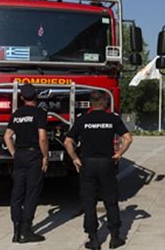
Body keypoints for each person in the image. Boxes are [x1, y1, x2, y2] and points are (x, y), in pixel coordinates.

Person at [64, 91, 133, 250]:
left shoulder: (82, 120)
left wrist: (75, 158)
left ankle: (93, 239)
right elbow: (128, 138)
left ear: (91, 103)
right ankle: (115, 237)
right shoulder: (112, 119)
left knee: (89, 201)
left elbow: (68, 141)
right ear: (104, 102)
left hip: (87, 164)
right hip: (107, 163)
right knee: (111, 200)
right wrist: (119, 154)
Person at [3, 83, 48, 243]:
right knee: (31, 193)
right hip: (34, 154)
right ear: (36, 96)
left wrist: (14, 152)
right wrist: (45, 156)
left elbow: (7, 136)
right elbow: (42, 137)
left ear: (22, 98)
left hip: (20, 155)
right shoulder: (40, 113)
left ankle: (16, 231)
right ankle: (26, 231)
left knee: (17, 193)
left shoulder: (16, 114)